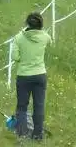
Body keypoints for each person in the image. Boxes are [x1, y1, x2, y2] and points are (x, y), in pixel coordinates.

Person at [12, 12, 52, 141]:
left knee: (22, 106)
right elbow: (49, 43)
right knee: (39, 106)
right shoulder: (45, 37)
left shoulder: (19, 37)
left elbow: (15, 57)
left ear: (27, 23)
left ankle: (22, 135)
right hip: (40, 74)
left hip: (24, 76)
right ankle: (38, 135)